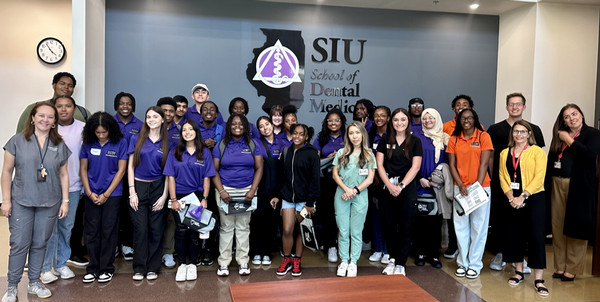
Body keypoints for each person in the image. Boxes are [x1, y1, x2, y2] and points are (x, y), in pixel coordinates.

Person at [2, 102, 70, 301]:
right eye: (41, 115)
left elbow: (64, 174)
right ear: (32, 118)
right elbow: (6, 172)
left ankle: (34, 282)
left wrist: (65, 201)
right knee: (19, 243)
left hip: (50, 202)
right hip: (22, 201)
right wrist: (6, 201)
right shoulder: (17, 141)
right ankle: (12, 286)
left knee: (40, 243)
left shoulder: (59, 144)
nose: (45, 120)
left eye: (50, 117)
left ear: (55, 121)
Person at [487, 92, 545, 272]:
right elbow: (490, 155)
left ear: (524, 107)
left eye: (518, 104)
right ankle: (500, 253)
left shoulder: (534, 128)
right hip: (503, 185)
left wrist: (524, 194)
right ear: (506, 107)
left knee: (526, 226)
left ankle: (521, 260)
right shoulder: (495, 129)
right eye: (511, 104)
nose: (515, 107)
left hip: (529, 189)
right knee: (502, 221)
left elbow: (539, 164)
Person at [547, 104, 600, 282]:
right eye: (567, 117)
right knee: (558, 225)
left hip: (579, 185)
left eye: (574, 114)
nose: (571, 118)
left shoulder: (592, 134)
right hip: (557, 183)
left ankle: (573, 267)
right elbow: (551, 159)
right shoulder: (559, 136)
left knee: (576, 226)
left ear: (581, 115)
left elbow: (588, 154)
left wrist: (569, 140)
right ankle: (560, 265)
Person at [498, 121, 549, 296]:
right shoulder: (505, 153)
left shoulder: (537, 152)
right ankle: (518, 271)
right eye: (515, 131)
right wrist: (511, 196)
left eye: (522, 131)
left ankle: (538, 279)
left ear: (528, 133)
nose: (518, 134)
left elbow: (539, 177)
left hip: (533, 198)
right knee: (514, 234)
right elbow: (502, 176)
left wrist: (523, 196)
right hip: (512, 199)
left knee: (536, 236)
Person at [212, 114, 264, 277]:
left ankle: (243, 261)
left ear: (246, 127)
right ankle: (224, 263)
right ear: (228, 127)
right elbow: (214, 170)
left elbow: (259, 168)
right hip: (225, 190)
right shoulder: (221, 145)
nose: (237, 126)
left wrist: (252, 190)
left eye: (240, 124)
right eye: (233, 124)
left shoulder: (253, 143)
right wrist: (221, 191)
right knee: (226, 227)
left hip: (246, 190)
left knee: (243, 227)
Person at [163, 120, 215, 281]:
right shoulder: (175, 151)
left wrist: (205, 199)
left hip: (197, 197)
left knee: (194, 231)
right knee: (181, 231)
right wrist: (173, 200)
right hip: (179, 197)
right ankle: (182, 265)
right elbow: (170, 177)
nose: (187, 132)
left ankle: (192, 264)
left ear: (196, 132)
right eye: (184, 130)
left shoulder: (204, 152)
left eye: (190, 129)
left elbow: (207, 177)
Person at [40, 96, 84, 284]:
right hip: (48, 187)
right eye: (59, 106)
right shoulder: (47, 127)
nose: (63, 109)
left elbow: (86, 157)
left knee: (66, 227)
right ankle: (44, 267)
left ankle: (60, 263)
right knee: (48, 229)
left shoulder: (82, 128)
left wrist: (83, 184)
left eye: (68, 106)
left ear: (75, 108)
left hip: (73, 185)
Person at [80, 112, 128, 283]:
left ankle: (106, 268)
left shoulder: (120, 142)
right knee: (91, 231)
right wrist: (89, 192)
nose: (100, 135)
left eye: (104, 132)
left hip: (112, 194)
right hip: (91, 193)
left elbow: (121, 170)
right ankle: (93, 267)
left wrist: (106, 194)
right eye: (97, 132)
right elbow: (83, 169)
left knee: (109, 230)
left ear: (110, 130)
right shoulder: (88, 143)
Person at [446, 108, 493, 279]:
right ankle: (462, 263)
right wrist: (460, 183)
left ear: (475, 119)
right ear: (458, 120)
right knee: (460, 227)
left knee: (479, 227)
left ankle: (474, 264)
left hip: (481, 188)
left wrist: (477, 187)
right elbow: (452, 164)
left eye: (470, 118)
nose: (466, 121)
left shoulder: (483, 136)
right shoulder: (454, 138)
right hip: (461, 189)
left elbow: (484, 163)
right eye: (463, 118)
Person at [376, 108, 423, 276]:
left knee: (405, 226)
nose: (399, 123)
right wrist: (389, 185)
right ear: (392, 122)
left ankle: (401, 263)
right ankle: (392, 260)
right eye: (396, 120)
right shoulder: (385, 139)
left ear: (408, 121)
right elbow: (379, 165)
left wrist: (401, 186)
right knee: (389, 226)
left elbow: (416, 166)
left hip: (407, 188)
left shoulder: (415, 141)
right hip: (387, 186)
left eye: (403, 119)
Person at [271, 123, 320, 277]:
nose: (297, 136)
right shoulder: (286, 151)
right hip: (287, 198)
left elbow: (315, 180)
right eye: (295, 133)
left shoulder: (312, 154)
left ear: (306, 137)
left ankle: (297, 260)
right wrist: (277, 195)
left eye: (301, 134)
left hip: (305, 200)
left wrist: (310, 203)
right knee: (287, 230)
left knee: (300, 230)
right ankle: (286, 259)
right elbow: (281, 177)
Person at [127, 106, 170, 281]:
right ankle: (139, 268)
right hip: (138, 187)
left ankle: (153, 267)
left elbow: (169, 172)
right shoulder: (136, 138)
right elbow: (130, 166)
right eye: (148, 117)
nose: (151, 119)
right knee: (140, 230)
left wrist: (164, 195)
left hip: (159, 188)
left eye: (155, 116)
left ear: (162, 120)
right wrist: (132, 192)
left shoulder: (168, 143)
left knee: (156, 229)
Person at [332, 122, 376, 277]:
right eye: (351, 133)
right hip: (342, 194)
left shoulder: (369, 154)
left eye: (357, 133)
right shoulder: (341, 153)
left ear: (363, 134)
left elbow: (370, 179)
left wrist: (354, 191)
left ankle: (353, 262)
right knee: (343, 231)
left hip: (360, 195)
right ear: (347, 136)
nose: (354, 136)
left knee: (356, 231)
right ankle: (344, 260)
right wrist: (346, 189)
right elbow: (335, 174)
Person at [412, 108, 449, 269]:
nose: (427, 121)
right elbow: (411, 160)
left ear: (437, 119)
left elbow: (448, 162)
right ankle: (420, 253)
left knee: (436, 223)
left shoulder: (444, 138)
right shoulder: (416, 137)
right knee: (419, 222)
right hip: (420, 184)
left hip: (437, 187)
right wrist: (420, 178)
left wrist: (438, 178)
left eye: (431, 118)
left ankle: (434, 255)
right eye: (424, 118)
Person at [250, 116, 285, 266]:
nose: (265, 128)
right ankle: (256, 252)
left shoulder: (282, 143)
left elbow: (284, 170)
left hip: (275, 187)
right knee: (257, 221)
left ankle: (267, 252)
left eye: (267, 124)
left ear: (272, 125)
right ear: (258, 130)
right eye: (261, 126)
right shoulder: (255, 143)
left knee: (271, 222)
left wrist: (278, 193)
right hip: (260, 186)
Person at [314, 108, 347, 263]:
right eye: (330, 120)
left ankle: (342, 245)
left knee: (343, 215)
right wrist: (329, 158)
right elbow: (314, 162)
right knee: (328, 214)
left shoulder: (347, 136)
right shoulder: (321, 138)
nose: (334, 123)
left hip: (345, 182)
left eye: (337, 120)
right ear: (326, 123)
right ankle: (331, 246)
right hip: (327, 182)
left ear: (342, 122)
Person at [113, 92, 143, 262]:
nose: (125, 106)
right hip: (113, 173)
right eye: (122, 103)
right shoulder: (110, 123)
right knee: (113, 211)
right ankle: (114, 245)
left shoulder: (140, 125)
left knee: (129, 210)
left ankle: (127, 244)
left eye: (129, 104)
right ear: (116, 105)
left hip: (132, 174)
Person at [16, 72, 91, 133]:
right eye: (62, 83)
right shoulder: (34, 108)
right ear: (54, 85)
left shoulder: (83, 113)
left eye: (70, 85)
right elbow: (20, 137)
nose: (66, 87)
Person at [157, 97, 180, 269]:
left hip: (173, 180)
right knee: (155, 217)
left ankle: (168, 252)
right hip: (154, 179)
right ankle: (154, 251)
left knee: (171, 219)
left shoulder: (180, 131)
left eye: (171, 111)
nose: (168, 114)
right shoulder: (150, 129)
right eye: (165, 110)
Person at [367, 105, 391, 264]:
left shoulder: (393, 136)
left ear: (388, 118)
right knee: (375, 216)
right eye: (376, 116)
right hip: (373, 180)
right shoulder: (370, 135)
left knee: (388, 216)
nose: (379, 118)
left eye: (382, 116)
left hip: (389, 181)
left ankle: (388, 251)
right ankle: (377, 249)